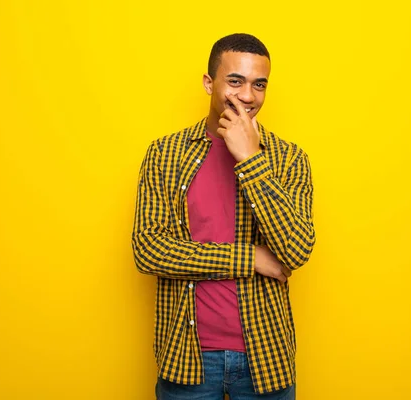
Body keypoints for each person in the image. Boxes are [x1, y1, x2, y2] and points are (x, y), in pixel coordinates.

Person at [132, 33, 315, 400]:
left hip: (267, 358)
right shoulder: (165, 154)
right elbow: (149, 250)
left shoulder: (289, 159)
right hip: (188, 357)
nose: (247, 96)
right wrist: (250, 258)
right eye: (235, 81)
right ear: (208, 82)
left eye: (258, 84)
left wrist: (251, 160)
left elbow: (296, 251)